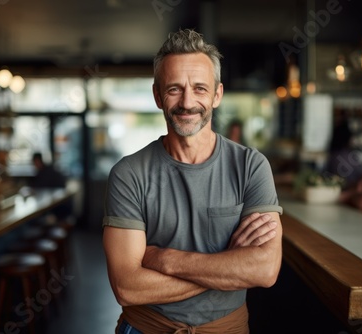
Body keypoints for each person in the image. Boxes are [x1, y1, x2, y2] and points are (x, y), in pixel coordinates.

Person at [102, 29, 283, 333]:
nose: (187, 102)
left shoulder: (251, 166)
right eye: (174, 89)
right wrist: (229, 267)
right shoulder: (128, 174)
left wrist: (167, 260)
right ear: (158, 95)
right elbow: (127, 288)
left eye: (200, 88)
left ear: (217, 94)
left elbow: (264, 270)